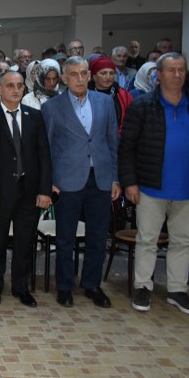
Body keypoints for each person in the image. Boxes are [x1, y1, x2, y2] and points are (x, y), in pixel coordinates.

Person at [119, 52, 189, 315]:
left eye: (181, 70)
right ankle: (142, 287)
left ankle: (177, 290)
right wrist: (130, 182)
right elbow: (127, 147)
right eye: (171, 70)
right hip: (151, 186)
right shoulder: (143, 105)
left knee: (183, 240)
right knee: (147, 239)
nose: (177, 75)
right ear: (158, 74)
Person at [42, 56, 120, 308]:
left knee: (97, 236)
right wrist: (49, 181)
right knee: (66, 238)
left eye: (83, 73)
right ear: (64, 78)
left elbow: (113, 143)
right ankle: (65, 286)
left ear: (89, 76)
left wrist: (115, 177)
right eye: (73, 74)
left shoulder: (105, 102)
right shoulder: (52, 107)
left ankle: (92, 284)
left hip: (101, 179)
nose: (79, 78)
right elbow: (46, 148)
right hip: (67, 181)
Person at [0, 71, 52, 308]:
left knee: (25, 242)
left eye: (20, 85)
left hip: (29, 191)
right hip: (0, 192)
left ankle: (20, 287)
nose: (15, 90)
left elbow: (44, 155)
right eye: (10, 85)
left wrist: (45, 190)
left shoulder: (35, 116)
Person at [88, 55, 133, 134]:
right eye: (103, 73)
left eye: (111, 73)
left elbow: (130, 121)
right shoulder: (84, 94)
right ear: (94, 76)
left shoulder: (124, 95)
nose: (108, 77)